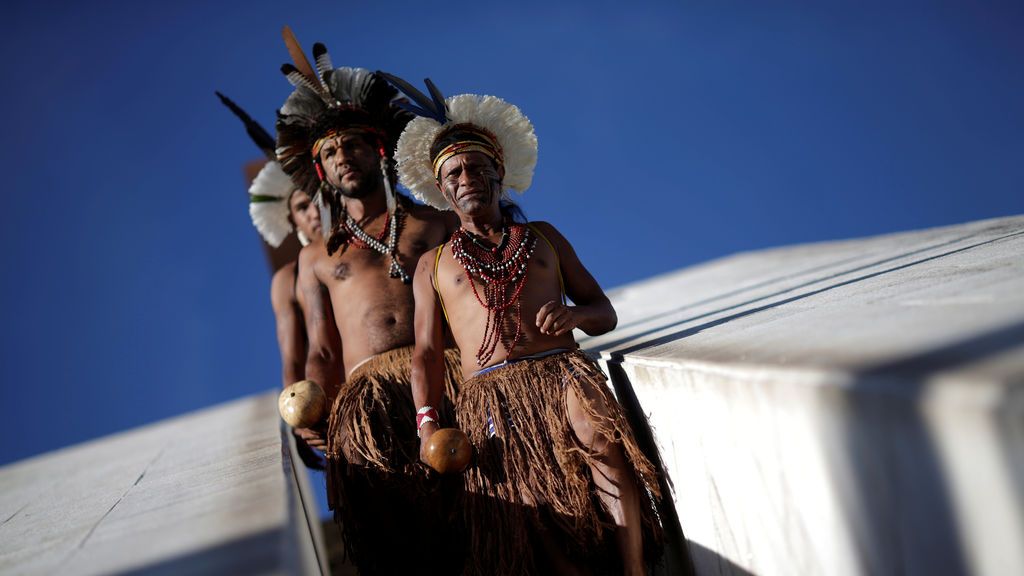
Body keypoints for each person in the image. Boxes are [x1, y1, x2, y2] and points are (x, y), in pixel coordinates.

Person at [389, 76, 665, 575]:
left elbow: (604, 312)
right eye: (453, 173)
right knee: (528, 505)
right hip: (489, 395)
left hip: (561, 371)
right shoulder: (433, 263)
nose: (466, 177)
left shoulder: (543, 237)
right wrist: (427, 420)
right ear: (442, 190)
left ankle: (635, 568)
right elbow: (426, 353)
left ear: (499, 174)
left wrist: (575, 316)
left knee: (600, 440)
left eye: (476, 167)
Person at [273, 34, 461, 574]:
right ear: (321, 172)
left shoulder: (434, 223)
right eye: (330, 153)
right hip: (369, 397)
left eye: (352, 145)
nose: (342, 157)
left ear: (378, 149)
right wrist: (314, 408)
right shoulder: (315, 258)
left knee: (476, 517)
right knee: (398, 538)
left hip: (446, 381)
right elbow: (322, 348)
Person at [218, 92, 332, 457]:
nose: (313, 210)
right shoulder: (288, 278)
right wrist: (301, 419)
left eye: (317, 197)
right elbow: (292, 360)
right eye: (302, 206)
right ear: (292, 219)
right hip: (339, 400)